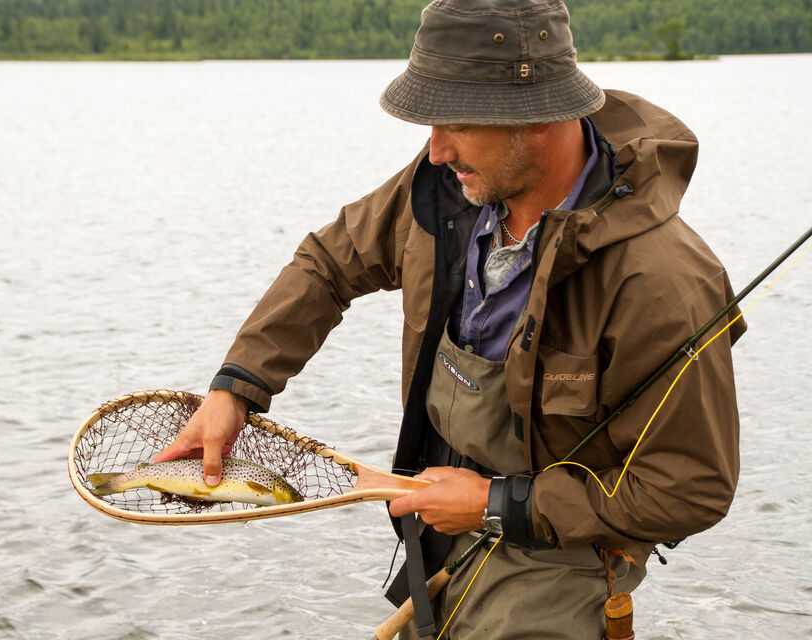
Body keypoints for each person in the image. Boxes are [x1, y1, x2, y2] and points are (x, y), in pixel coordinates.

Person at [154, 0, 744, 637]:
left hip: (565, 559)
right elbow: (328, 263)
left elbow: (690, 489)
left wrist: (495, 504)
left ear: (538, 117)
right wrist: (236, 388)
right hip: (438, 531)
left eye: (456, 123)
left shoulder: (665, 282)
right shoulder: (449, 187)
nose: (435, 150)